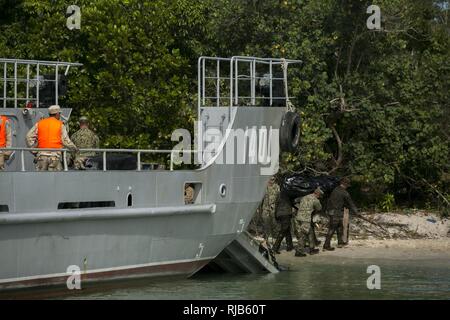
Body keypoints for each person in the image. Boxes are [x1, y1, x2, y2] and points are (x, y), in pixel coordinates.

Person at [26, 105, 78, 171]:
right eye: (60, 113)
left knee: (40, 179)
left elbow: (28, 136)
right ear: (57, 114)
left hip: (41, 156)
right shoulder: (60, 124)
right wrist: (75, 148)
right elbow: (66, 140)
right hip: (54, 157)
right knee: (55, 179)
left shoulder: (40, 123)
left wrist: (33, 150)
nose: (60, 115)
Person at [323, 177, 358, 251]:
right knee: (332, 229)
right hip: (336, 212)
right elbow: (351, 203)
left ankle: (340, 242)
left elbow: (330, 201)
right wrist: (356, 212)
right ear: (345, 184)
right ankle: (326, 245)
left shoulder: (335, 190)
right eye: (347, 185)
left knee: (339, 227)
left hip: (332, 212)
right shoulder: (344, 193)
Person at [292, 187, 323, 257]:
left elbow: (296, 201)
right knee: (304, 235)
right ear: (318, 194)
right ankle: (298, 251)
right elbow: (319, 208)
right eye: (320, 196)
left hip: (298, 217)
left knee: (310, 232)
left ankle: (312, 249)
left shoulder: (304, 197)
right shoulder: (315, 200)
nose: (319, 197)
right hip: (306, 219)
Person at [272, 190, 294, 254]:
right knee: (283, 230)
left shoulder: (279, 193)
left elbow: (276, 204)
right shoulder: (289, 193)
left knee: (287, 229)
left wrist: (275, 214)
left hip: (279, 213)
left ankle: (290, 245)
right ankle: (275, 248)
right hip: (286, 213)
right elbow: (293, 201)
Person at [260, 176, 280, 243]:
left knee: (274, 223)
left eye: (273, 179)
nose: (272, 181)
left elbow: (278, 198)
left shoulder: (277, 187)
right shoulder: (264, 186)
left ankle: (275, 237)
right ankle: (266, 236)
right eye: (270, 179)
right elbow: (261, 197)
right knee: (265, 221)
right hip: (265, 207)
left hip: (273, 207)